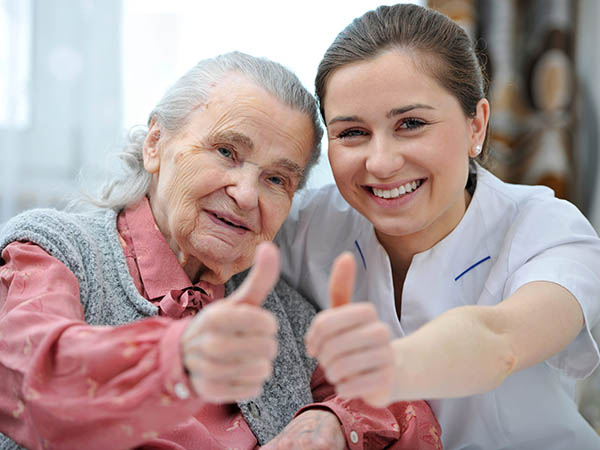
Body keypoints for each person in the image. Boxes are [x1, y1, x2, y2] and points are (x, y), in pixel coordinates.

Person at [0, 52, 441, 449]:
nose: (247, 195)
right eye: (227, 151)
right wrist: (180, 357)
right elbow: (28, 378)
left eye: (276, 180)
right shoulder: (54, 252)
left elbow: (404, 407)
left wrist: (330, 423)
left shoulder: (280, 312)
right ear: (156, 143)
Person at [276, 4, 600, 450]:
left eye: (411, 124)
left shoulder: (546, 228)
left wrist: (381, 372)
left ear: (476, 126)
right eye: (352, 133)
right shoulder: (305, 225)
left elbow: (500, 340)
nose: (382, 162)